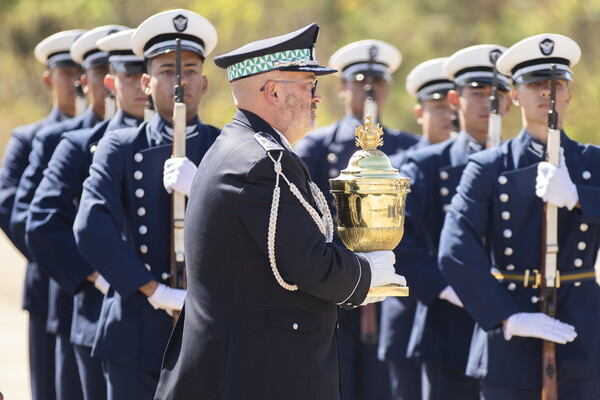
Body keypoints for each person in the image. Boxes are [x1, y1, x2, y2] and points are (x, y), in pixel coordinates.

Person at [153, 23, 406, 400]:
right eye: (308, 86)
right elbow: (308, 264)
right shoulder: (262, 162)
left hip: (249, 365)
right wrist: (365, 276)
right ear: (272, 91)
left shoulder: (247, 148)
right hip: (256, 371)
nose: (317, 98)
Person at [440, 33, 600, 400]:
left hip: (582, 328)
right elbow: (455, 248)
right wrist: (506, 317)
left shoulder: (593, 162)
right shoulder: (489, 166)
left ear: (569, 94)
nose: (547, 93)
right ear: (514, 95)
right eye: (535, 85)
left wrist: (579, 198)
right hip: (510, 332)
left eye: (556, 84)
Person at [73, 9, 220, 399]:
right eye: (167, 71)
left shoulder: (225, 147)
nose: (179, 82)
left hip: (208, 325)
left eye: (188, 71)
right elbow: (90, 224)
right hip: (135, 325)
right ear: (146, 80)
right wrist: (153, 289)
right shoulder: (121, 145)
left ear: (204, 82)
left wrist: (203, 188)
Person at [25, 28, 146, 400]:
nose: (140, 88)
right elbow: (41, 222)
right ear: (112, 82)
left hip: (165, 318)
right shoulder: (79, 144)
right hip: (98, 315)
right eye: (128, 77)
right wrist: (98, 274)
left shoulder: (183, 143)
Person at [294, 39, 418, 400]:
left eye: (377, 82)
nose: (369, 89)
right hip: (336, 282)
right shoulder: (316, 145)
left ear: (388, 89)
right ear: (343, 87)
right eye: (360, 80)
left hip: (392, 285)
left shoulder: (410, 147)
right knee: (336, 382)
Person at [392, 45, 512, 400]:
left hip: (511, 325)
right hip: (448, 330)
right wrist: (449, 288)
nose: (488, 102)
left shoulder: (524, 165)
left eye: (497, 93)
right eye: (477, 93)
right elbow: (398, 239)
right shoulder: (425, 165)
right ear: (455, 99)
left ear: (510, 102)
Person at [0, 28, 84, 400]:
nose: (78, 83)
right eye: (68, 73)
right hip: (48, 283)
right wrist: (56, 255)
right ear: (49, 78)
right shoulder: (30, 138)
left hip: (107, 285)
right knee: (51, 387)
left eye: (84, 73)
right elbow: (9, 207)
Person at [379, 57, 454, 400]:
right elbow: (396, 239)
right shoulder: (408, 166)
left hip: (459, 317)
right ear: (419, 113)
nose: (447, 114)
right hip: (411, 311)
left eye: (451, 103)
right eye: (437, 106)